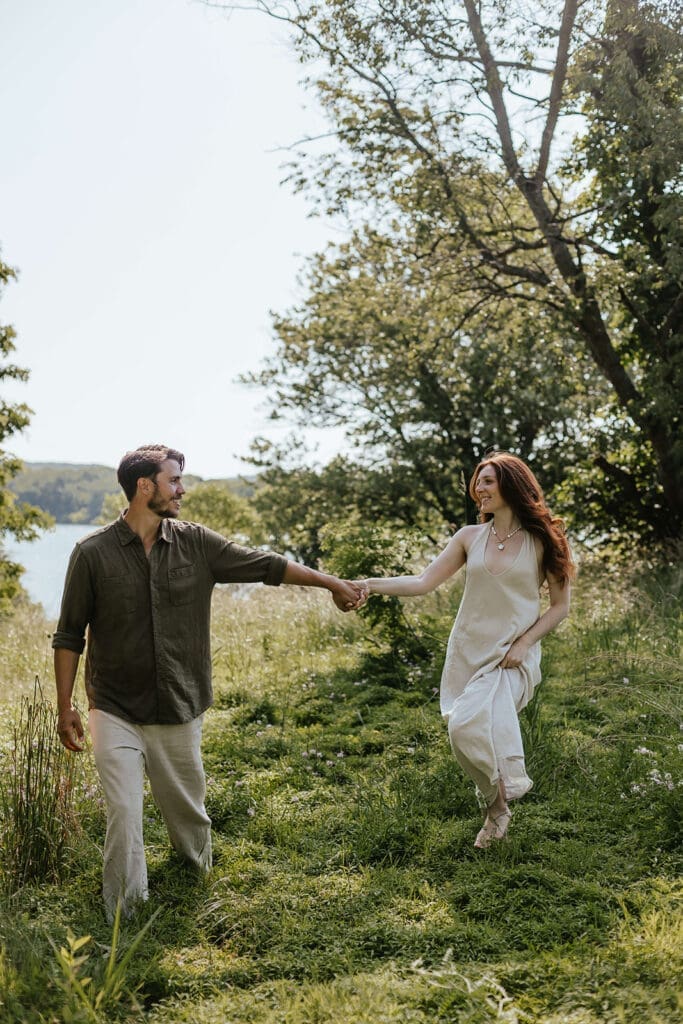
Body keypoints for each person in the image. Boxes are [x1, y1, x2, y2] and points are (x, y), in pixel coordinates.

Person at [53, 444, 363, 917]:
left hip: (180, 703)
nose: (182, 489)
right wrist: (65, 707)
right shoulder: (92, 554)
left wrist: (332, 583)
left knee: (187, 814)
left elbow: (266, 565)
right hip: (113, 708)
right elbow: (69, 635)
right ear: (144, 486)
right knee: (123, 812)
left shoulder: (196, 543)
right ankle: (125, 915)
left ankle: (195, 877)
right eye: (174, 480)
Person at [356, 452, 575, 848]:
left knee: (465, 726)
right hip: (469, 651)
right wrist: (370, 584)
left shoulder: (544, 540)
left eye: (488, 481)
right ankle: (497, 805)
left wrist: (525, 644)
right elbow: (423, 582)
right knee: (466, 731)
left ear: (511, 485)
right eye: (478, 482)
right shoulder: (468, 537)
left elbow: (560, 607)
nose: (479, 489)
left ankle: (495, 808)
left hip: (511, 655)